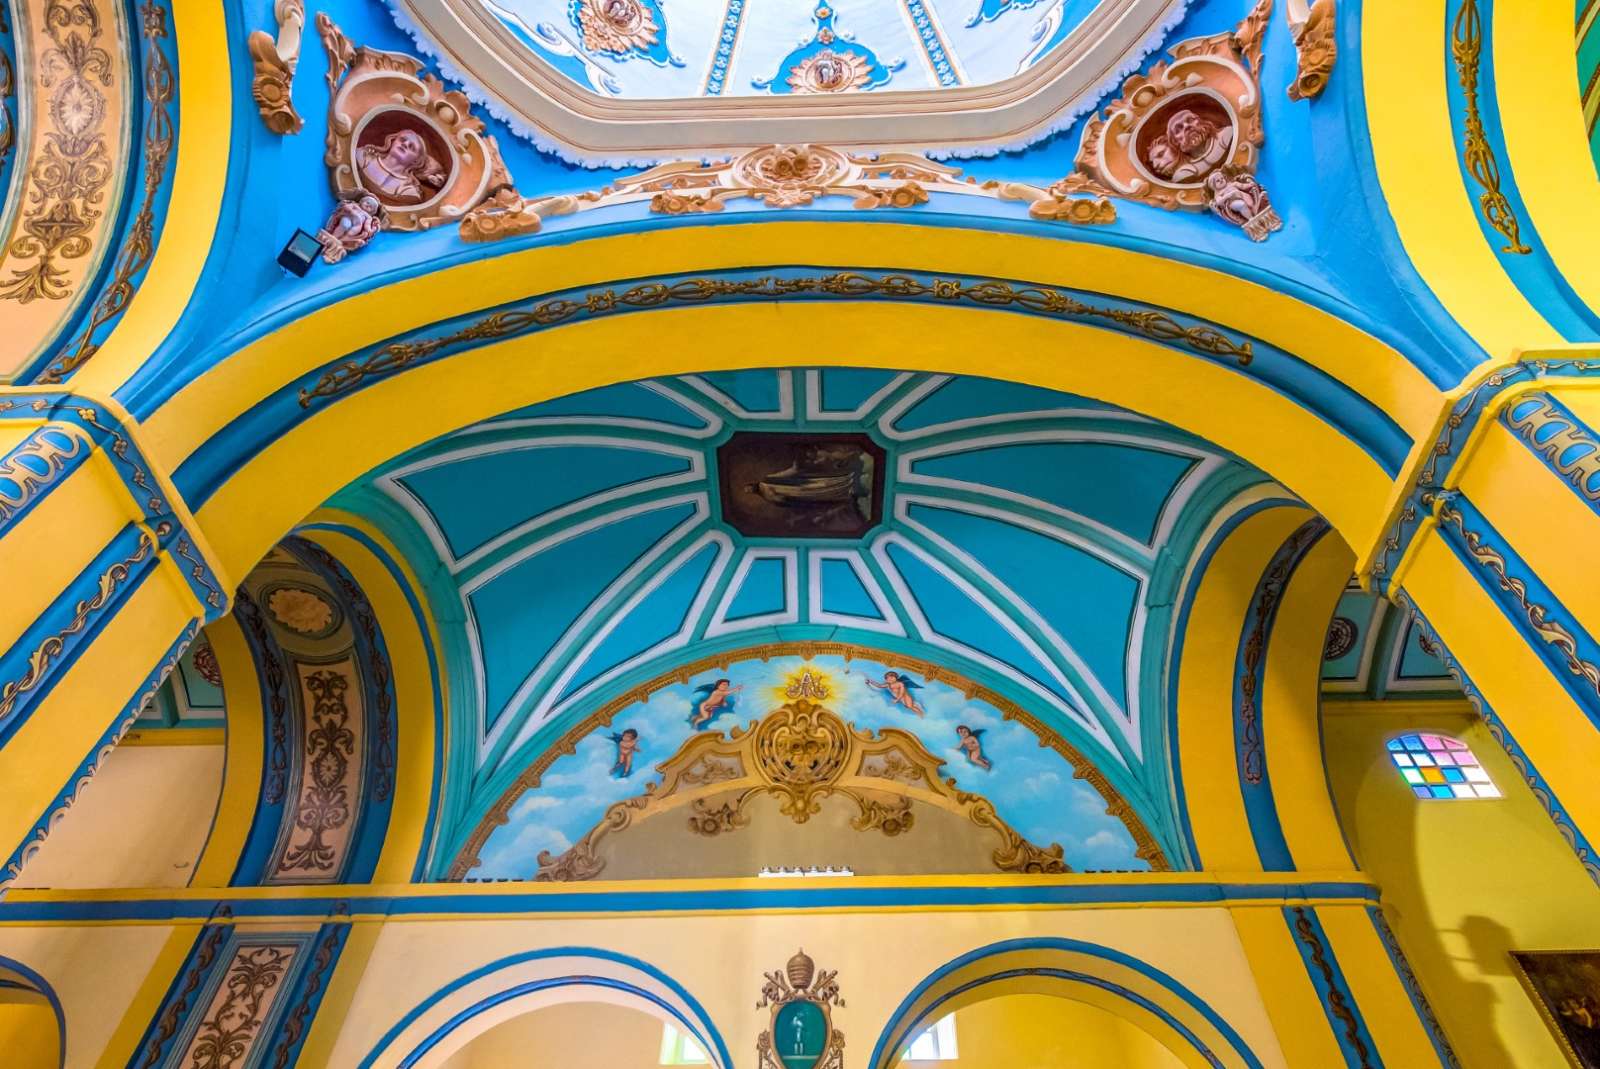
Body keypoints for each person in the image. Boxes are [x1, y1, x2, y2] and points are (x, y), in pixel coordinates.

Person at [358, 127, 447, 205]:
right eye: (402, 140)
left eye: (412, 147)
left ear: (416, 161)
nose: (405, 144)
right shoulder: (363, 156)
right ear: (393, 142)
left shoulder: (409, 191)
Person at [1144, 107, 1233, 183]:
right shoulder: (1184, 172)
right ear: (1175, 142)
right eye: (1178, 129)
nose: (1187, 126)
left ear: (1200, 121)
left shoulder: (1226, 135)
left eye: (1190, 120)